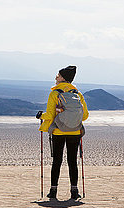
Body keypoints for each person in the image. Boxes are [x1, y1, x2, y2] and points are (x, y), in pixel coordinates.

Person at [37, 66, 88, 201]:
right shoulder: (78, 94)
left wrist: (40, 116)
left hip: (58, 131)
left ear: (63, 78)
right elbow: (85, 116)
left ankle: (53, 191)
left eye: (58, 76)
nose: (56, 78)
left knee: (57, 161)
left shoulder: (55, 93)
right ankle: (74, 191)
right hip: (75, 131)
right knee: (72, 161)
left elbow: (50, 115)